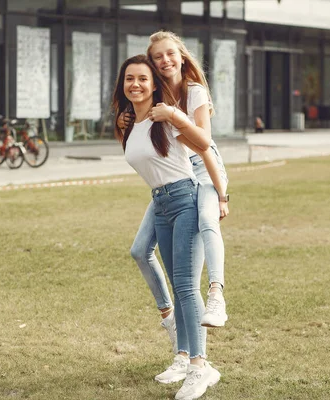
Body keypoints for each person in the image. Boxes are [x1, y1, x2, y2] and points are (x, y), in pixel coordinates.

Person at [112, 54, 221, 400]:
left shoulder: (165, 115)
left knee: (187, 288)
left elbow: (205, 146)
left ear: (154, 84)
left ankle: (199, 368)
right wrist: (126, 121)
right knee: (177, 285)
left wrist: (222, 194)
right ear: (122, 84)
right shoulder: (129, 122)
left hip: (185, 199)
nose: (136, 84)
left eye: (143, 78)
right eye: (130, 79)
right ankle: (186, 356)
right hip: (160, 203)